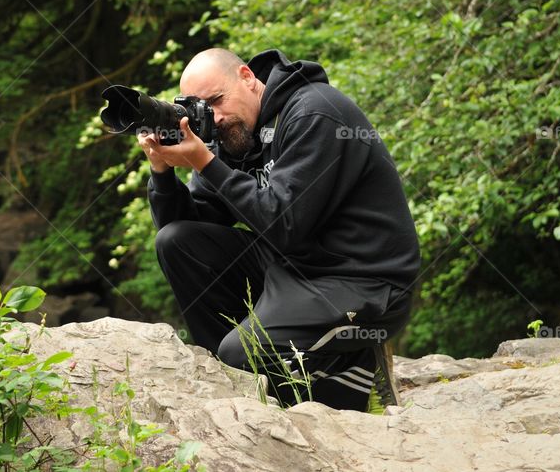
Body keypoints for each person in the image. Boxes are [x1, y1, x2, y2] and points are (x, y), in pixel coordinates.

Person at [136, 47, 420, 411]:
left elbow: (284, 224)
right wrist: (161, 172)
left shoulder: (315, 112)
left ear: (247, 77)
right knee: (177, 242)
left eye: (218, 100)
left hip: (363, 279)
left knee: (242, 354)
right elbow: (186, 226)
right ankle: (239, 383)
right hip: (294, 266)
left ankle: (354, 368)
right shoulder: (230, 136)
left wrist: (204, 162)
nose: (216, 117)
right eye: (204, 109)